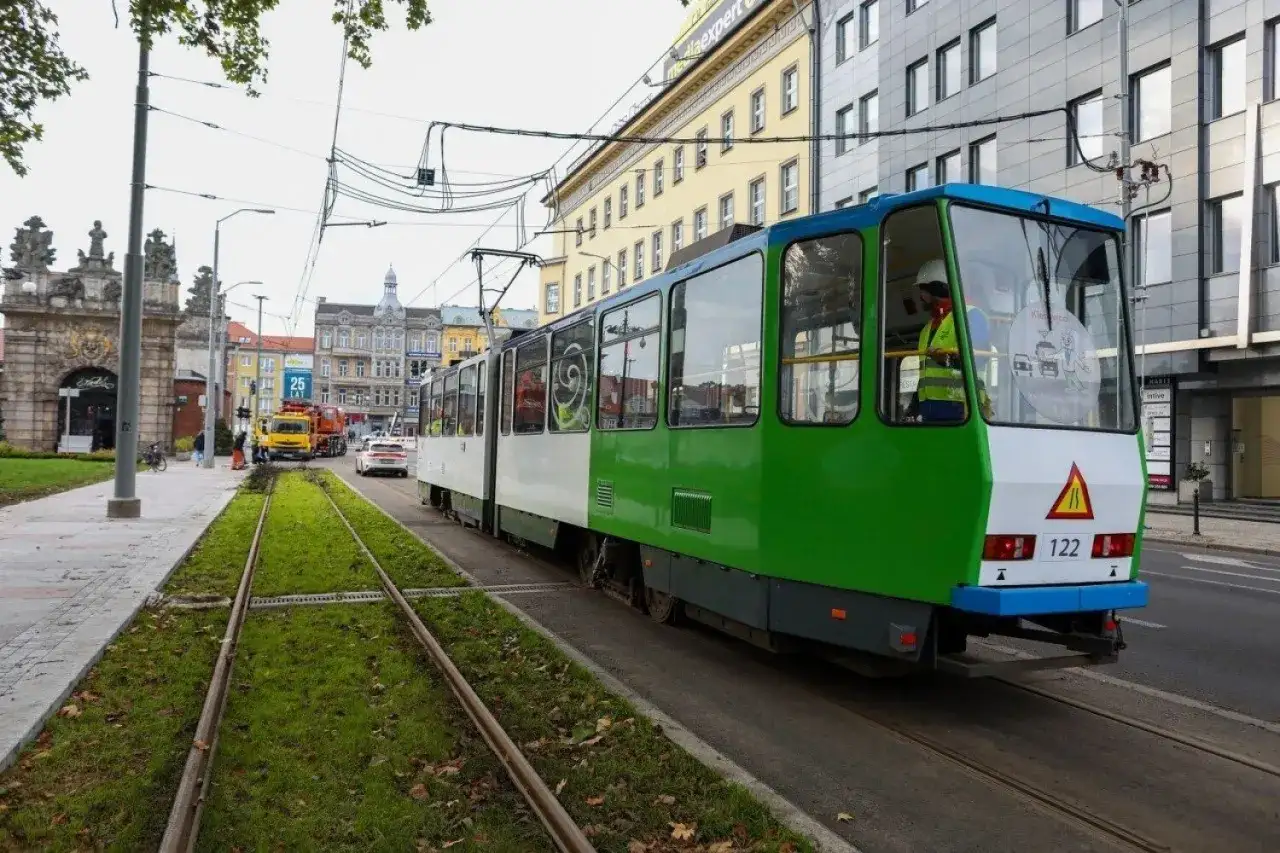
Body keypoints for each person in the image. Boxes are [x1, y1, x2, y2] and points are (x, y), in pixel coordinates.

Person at [914, 259, 991, 423]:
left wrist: (947, 360)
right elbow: (926, 375)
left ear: (936, 288)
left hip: (962, 411)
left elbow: (979, 357)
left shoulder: (970, 316)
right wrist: (914, 407)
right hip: (930, 413)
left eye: (923, 290)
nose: (920, 297)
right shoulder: (926, 330)